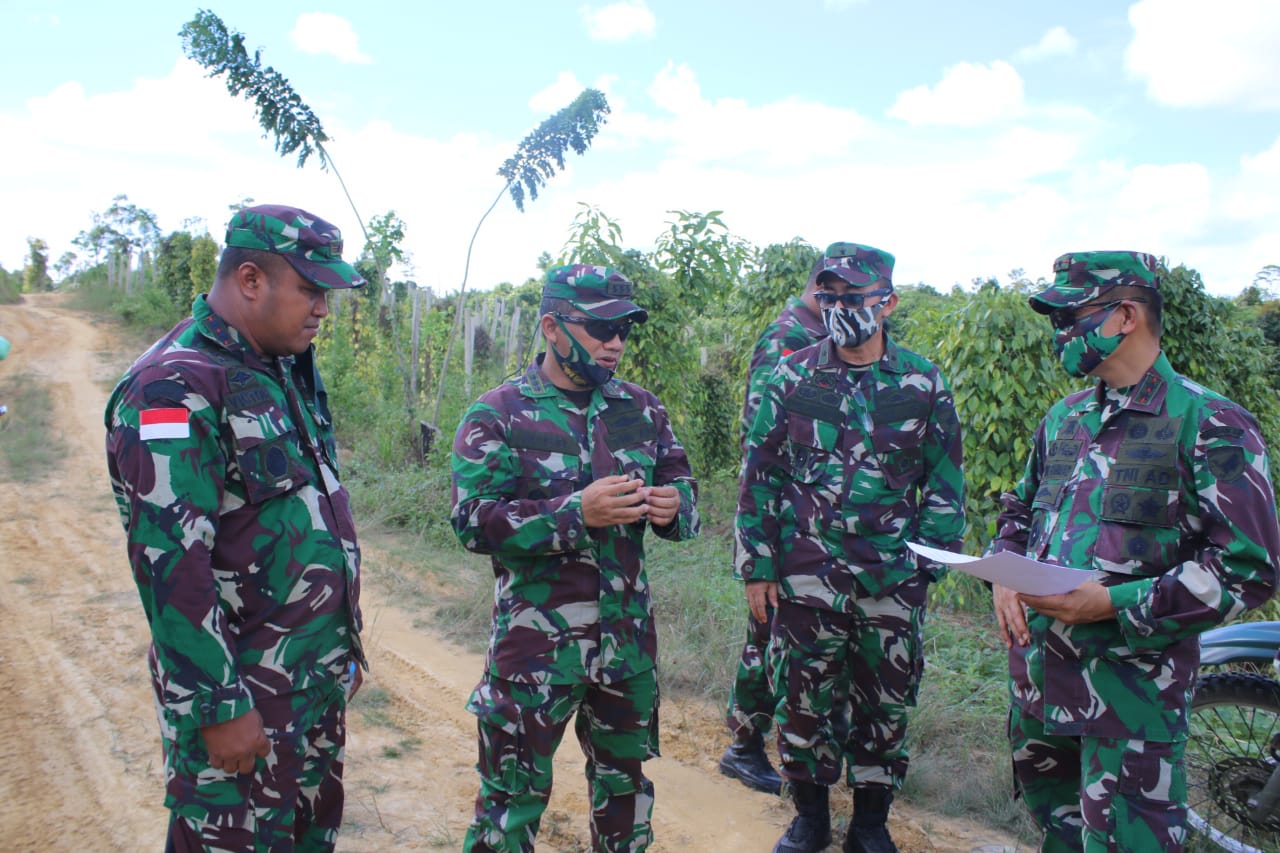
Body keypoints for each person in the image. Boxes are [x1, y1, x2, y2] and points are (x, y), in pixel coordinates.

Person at [988, 250, 1280, 851]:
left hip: (1130, 698)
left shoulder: (1210, 422)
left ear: (1124, 316)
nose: (1059, 335)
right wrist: (1002, 574)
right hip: (1042, 684)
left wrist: (1114, 602)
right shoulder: (1065, 419)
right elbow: (1019, 511)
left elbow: (1248, 569)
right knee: (1061, 834)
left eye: (1070, 318)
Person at [104, 204, 367, 852]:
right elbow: (171, 567)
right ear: (251, 280)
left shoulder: (277, 365)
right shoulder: (173, 385)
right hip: (242, 692)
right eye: (310, 289)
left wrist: (340, 646)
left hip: (307, 682)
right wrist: (219, 707)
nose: (321, 310)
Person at [451, 263, 700, 852]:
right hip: (534, 651)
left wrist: (673, 508)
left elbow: (684, 489)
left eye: (625, 330)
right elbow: (471, 521)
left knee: (626, 798)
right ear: (552, 328)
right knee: (509, 806)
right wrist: (574, 515)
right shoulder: (499, 413)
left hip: (627, 650)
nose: (615, 343)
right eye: (599, 328)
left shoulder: (641, 409)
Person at [736, 242, 966, 853]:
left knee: (885, 709)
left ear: (886, 302)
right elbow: (761, 473)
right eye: (829, 297)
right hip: (806, 577)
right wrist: (756, 567)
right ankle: (809, 817)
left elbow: (944, 481)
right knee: (802, 702)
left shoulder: (922, 380)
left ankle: (869, 824)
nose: (840, 309)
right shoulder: (793, 374)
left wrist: (927, 568)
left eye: (855, 298)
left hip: (891, 578)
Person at [719, 255, 828, 796]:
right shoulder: (788, 337)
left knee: (781, 634)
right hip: (785, 520)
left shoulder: (817, 332)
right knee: (770, 632)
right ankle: (744, 745)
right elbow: (761, 446)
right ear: (820, 287)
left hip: (814, 524)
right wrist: (763, 538)